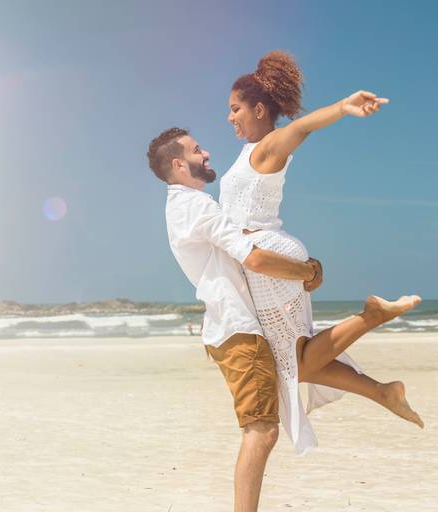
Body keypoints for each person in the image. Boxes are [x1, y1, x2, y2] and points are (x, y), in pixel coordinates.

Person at [221, 50, 423, 456]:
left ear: (259, 109)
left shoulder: (267, 146)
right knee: (300, 362)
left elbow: (301, 129)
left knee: (296, 364)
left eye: (235, 108)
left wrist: (343, 108)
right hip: (270, 258)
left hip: (267, 261)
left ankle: (371, 319)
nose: (230, 117)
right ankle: (382, 390)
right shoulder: (248, 153)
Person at [148, 127, 322, 512]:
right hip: (237, 328)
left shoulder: (185, 206)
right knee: (261, 430)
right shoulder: (195, 207)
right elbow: (253, 257)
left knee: (266, 424)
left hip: (231, 328)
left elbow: (243, 239)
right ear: (179, 165)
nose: (206, 153)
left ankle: (380, 390)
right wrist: (306, 272)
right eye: (197, 150)